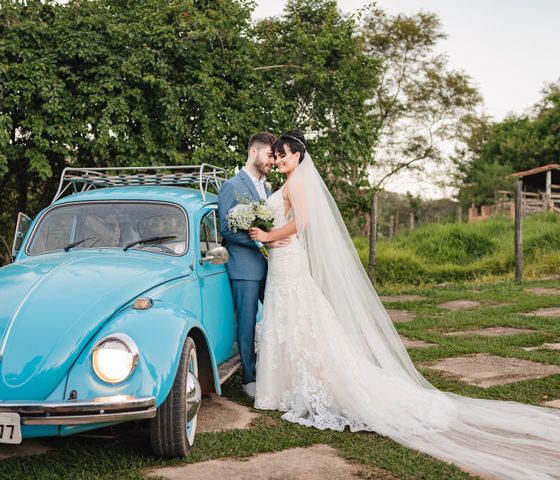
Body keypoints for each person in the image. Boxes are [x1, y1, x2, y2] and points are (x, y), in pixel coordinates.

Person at [248, 129, 560, 480]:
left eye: (285, 156)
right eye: (277, 156)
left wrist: (267, 235)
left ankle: (304, 386)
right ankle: (284, 388)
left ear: (299, 157)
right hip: (282, 262)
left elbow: (302, 223)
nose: (280, 160)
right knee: (290, 323)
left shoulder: (296, 184)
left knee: (301, 321)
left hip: (289, 260)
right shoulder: (287, 184)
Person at [218, 132, 288, 399]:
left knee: (276, 316)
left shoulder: (267, 188)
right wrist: (262, 242)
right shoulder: (231, 186)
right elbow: (226, 228)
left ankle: (274, 370)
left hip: (271, 266)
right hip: (243, 267)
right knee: (246, 324)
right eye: (270, 155)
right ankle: (249, 378)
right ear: (253, 152)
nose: (273, 161)